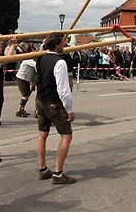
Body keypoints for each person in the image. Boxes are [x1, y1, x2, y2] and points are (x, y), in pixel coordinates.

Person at [35, 32, 76, 185]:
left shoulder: (41, 57)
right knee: (67, 135)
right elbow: (63, 89)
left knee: (42, 134)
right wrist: (69, 109)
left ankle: (42, 169)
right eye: (64, 41)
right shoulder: (60, 62)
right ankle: (58, 173)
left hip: (40, 100)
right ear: (57, 44)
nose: (65, 44)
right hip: (53, 102)